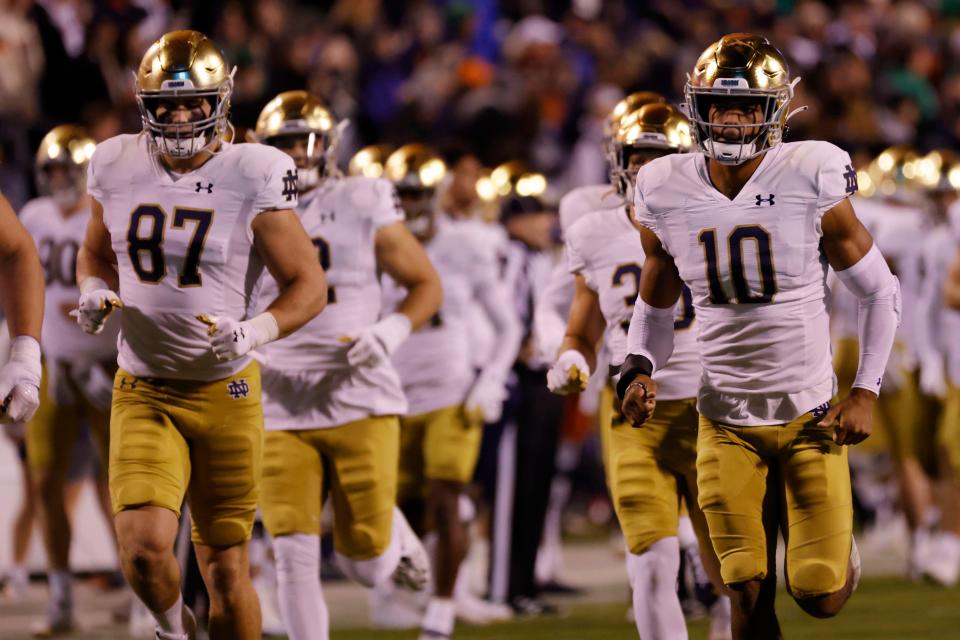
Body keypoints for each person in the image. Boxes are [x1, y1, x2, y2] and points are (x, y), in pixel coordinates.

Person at [618, 34, 900, 638]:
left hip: (810, 413)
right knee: (743, 587)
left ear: (774, 111)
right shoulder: (665, 187)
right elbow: (656, 303)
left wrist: (867, 390)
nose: (732, 118)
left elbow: (880, 290)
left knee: (819, 592)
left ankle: (840, 550)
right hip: (722, 415)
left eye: (745, 107)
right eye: (721, 106)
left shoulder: (812, 172)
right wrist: (638, 364)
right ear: (699, 107)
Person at [74, 31, 326, 640]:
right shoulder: (114, 160)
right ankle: (171, 629)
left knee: (225, 572)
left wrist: (255, 330)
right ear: (145, 104)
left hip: (225, 391)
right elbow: (95, 255)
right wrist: (91, 289)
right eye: (166, 105)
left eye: (193, 103)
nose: (180, 115)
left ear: (223, 100)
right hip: (144, 386)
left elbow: (307, 283)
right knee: (141, 548)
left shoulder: (254, 170)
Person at [250, 92, 442, 640]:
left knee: (363, 564)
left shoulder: (361, 198)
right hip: (281, 396)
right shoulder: (246, 200)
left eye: (304, 142)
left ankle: (394, 539)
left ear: (329, 147)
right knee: (292, 551)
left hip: (359, 392)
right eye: (282, 144)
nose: (294, 155)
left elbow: (425, 283)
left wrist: (391, 329)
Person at [546, 102, 730, 640]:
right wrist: (571, 359)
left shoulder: (717, 215)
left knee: (735, 570)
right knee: (649, 563)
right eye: (638, 156)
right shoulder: (594, 231)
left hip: (712, 410)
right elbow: (582, 328)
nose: (647, 169)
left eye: (659, 157)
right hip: (633, 416)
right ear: (618, 160)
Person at [378, 144, 521, 640]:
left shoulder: (465, 244)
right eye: (407, 193)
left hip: (450, 388)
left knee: (447, 496)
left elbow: (508, 325)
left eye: (422, 192)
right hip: (392, 393)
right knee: (403, 508)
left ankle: (440, 610)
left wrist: (489, 379)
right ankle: (400, 592)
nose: (416, 202)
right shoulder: (374, 242)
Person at [20, 124, 120, 635]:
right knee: (44, 481)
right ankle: (60, 595)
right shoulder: (33, 217)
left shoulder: (106, 214)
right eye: (53, 169)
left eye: (69, 169)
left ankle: (140, 586)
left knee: (119, 485)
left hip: (106, 366)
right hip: (53, 366)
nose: (60, 178)